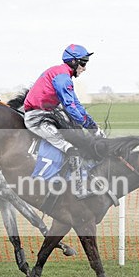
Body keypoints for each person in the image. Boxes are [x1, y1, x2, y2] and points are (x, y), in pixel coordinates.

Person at [23, 44, 101, 197]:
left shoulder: (63, 75)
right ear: (73, 62)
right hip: (36, 118)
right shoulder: (62, 78)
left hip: (47, 113)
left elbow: (76, 104)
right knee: (72, 149)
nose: (84, 68)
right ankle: (78, 190)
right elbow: (70, 107)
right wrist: (90, 126)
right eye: (83, 63)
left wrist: (92, 125)